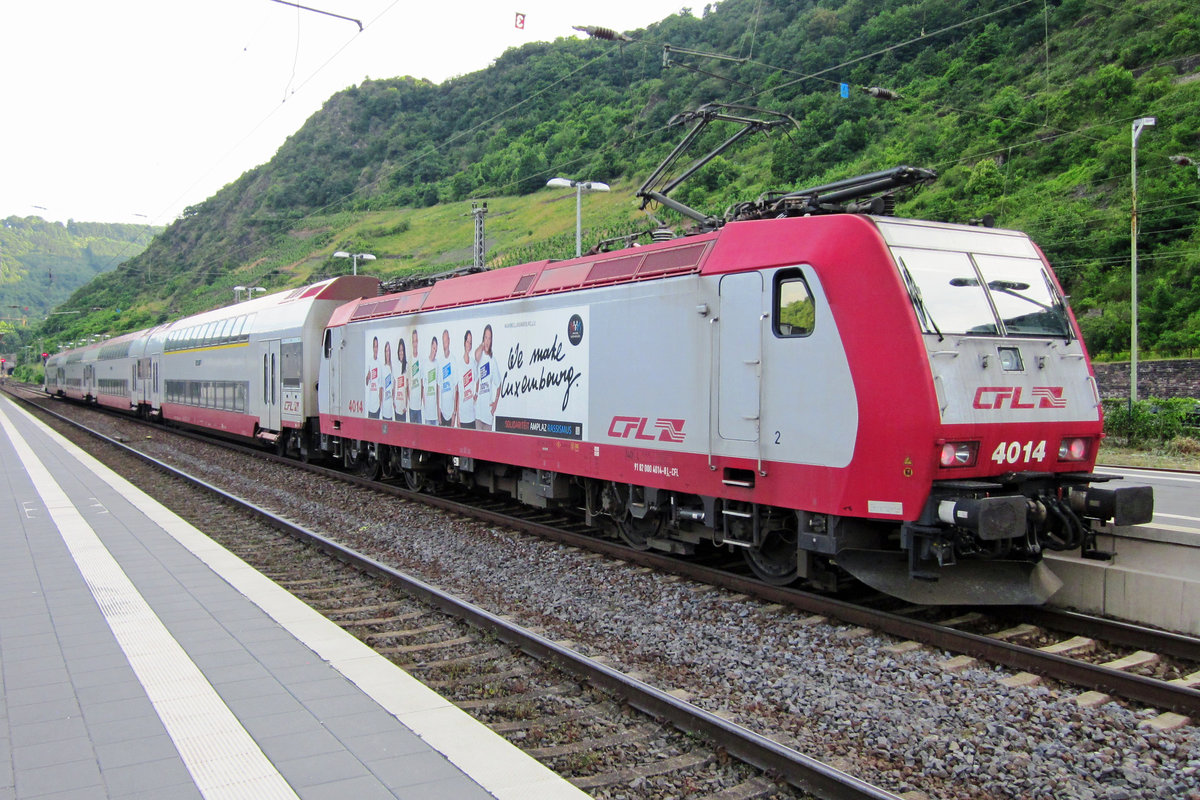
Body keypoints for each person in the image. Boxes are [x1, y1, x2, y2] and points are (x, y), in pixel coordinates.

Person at [474, 323, 500, 430]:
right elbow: (476, 355)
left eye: (489, 338)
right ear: (483, 338)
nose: (487, 341)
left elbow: (499, 385)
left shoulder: (492, 361)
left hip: (488, 415)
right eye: (486, 337)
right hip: (478, 414)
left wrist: (495, 404)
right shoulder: (480, 357)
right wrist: (482, 344)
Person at [458, 329, 476, 429]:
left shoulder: (473, 363)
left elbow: (477, 381)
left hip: (472, 416)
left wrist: (476, 395)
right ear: (464, 343)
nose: (469, 344)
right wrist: (458, 417)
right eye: (467, 341)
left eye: (470, 342)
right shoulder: (460, 365)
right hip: (463, 417)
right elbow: (458, 391)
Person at [439, 328, 456, 426]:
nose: (444, 344)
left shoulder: (453, 360)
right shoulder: (440, 361)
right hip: (442, 413)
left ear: (449, 341)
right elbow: (439, 387)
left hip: (450, 413)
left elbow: (455, 388)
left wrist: (454, 413)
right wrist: (439, 411)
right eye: (443, 341)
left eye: (446, 341)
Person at [407, 329, 422, 424]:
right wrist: (409, 400)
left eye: (416, 341)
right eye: (413, 341)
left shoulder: (421, 360)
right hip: (411, 407)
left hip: (419, 408)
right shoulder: (409, 361)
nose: (415, 344)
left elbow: (422, 383)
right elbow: (407, 383)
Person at [424, 335, 440, 425]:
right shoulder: (425, 364)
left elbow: (438, 388)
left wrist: (438, 410)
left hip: (435, 415)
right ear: (431, 346)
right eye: (434, 348)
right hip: (427, 414)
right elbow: (423, 387)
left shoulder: (437, 364)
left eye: (436, 350)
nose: (435, 351)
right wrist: (425, 406)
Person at [365, 336, 381, 419]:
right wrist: (367, 378)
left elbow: (381, 385)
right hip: (370, 406)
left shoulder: (379, 364)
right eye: (374, 346)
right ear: (372, 348)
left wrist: (380, 403)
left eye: (377, 346)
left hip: (377, 406)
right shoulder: (369, 362)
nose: (376, 349)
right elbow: (366, 382)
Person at [395, 337, 409, 423]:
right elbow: (394, 385)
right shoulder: (396, 365)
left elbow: (407, 388)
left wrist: (406, 406)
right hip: (396, 405)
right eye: (400, 350)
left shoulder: (406, 366)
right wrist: (394, 403)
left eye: (402, 350)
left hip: (403, 407)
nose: (401, 352)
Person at [380, 341, 395, 421]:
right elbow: (381, 389)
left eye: (389, 350)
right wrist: (381, 406)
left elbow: (393, 388)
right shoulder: (383, 368)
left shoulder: (393, 367)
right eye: (386, 351)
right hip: (385, 409)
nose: (387, 353)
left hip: (391, 409)